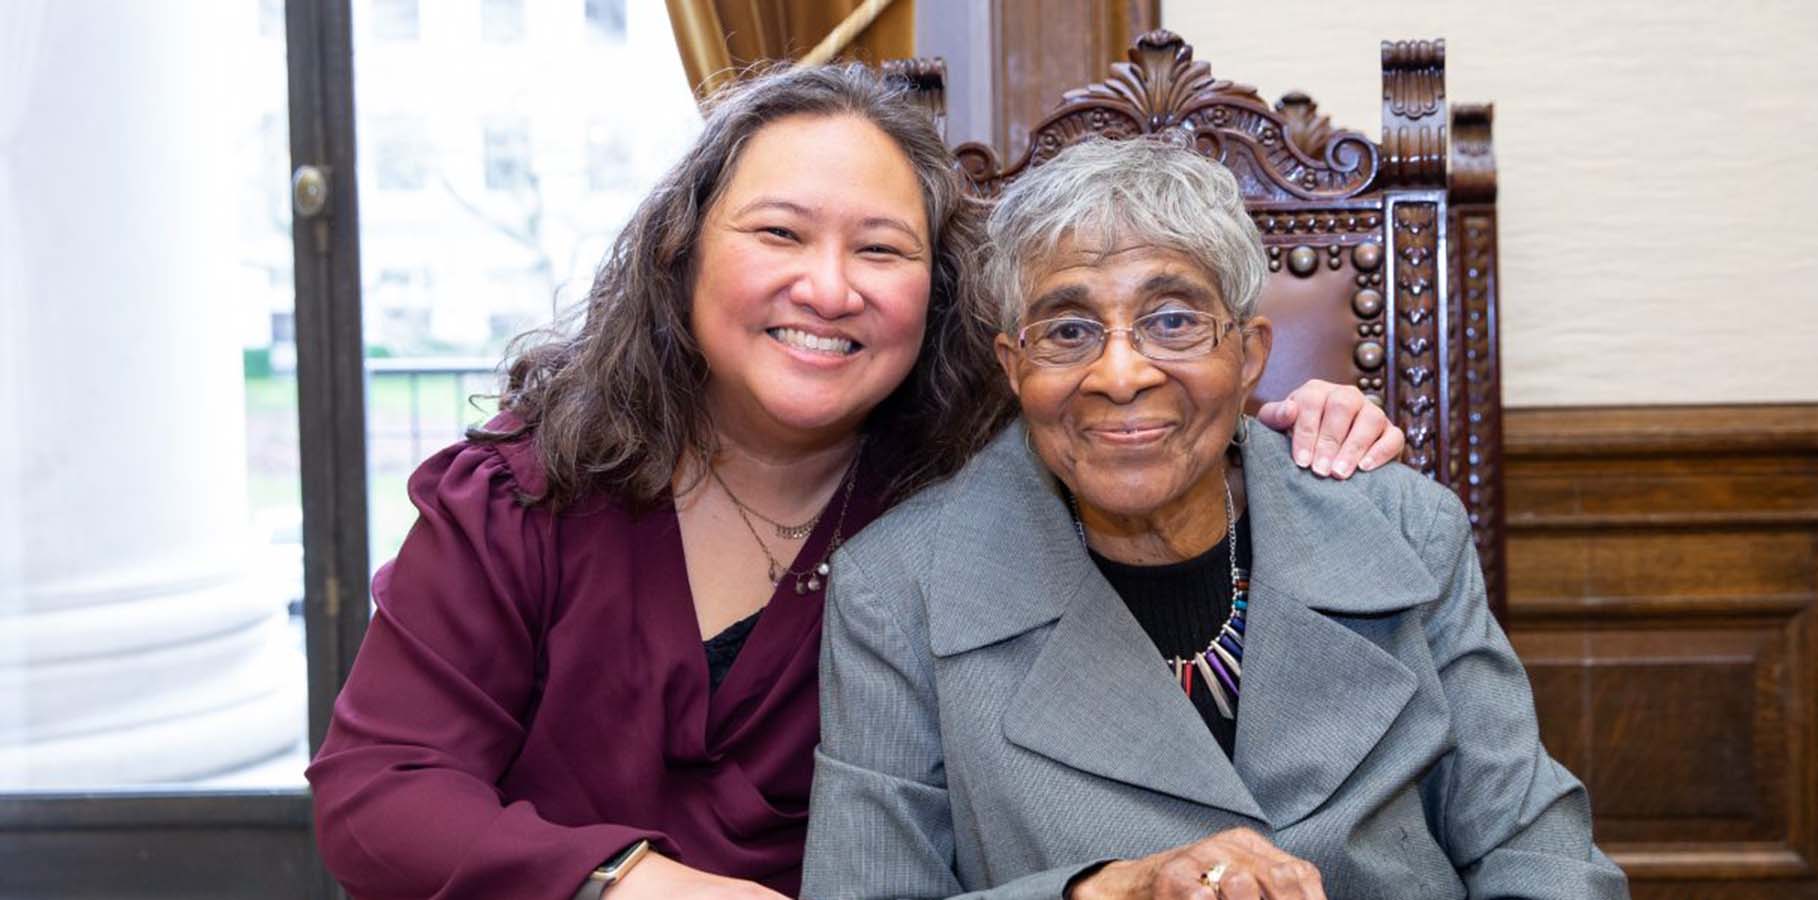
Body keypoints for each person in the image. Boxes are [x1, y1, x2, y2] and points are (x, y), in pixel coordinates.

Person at [305, 65, 1404, 900]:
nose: (827, 288)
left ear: (939, 292)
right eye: (779, 232)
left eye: (880, 250)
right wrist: (635, 882)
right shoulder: (524, 495)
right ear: (683, 251)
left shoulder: (977, 493)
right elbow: (377, 797)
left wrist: (1294, 424)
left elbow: (1146, 422)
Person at [801, 137, 1629, 900]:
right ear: (1016, 368)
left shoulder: (1404, 527)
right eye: (1069, 329)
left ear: (1250, 355)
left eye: (1172, 321)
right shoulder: (898, 586)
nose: (1120, 374)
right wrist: (1102, 891)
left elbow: (1536, 852)